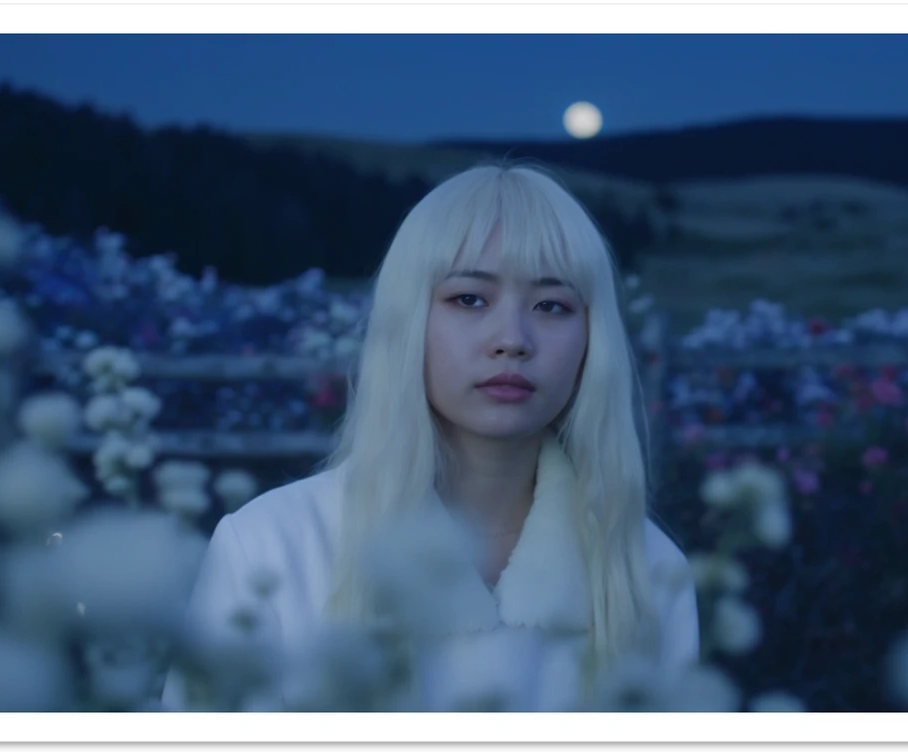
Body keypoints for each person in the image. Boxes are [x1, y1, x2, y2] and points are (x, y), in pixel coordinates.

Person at [160, 162, 699, 712]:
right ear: (407, 320)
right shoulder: (270, 547)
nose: (512, 339)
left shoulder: (647, 572)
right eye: (469, 299)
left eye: (551, 305)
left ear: (592, 339)